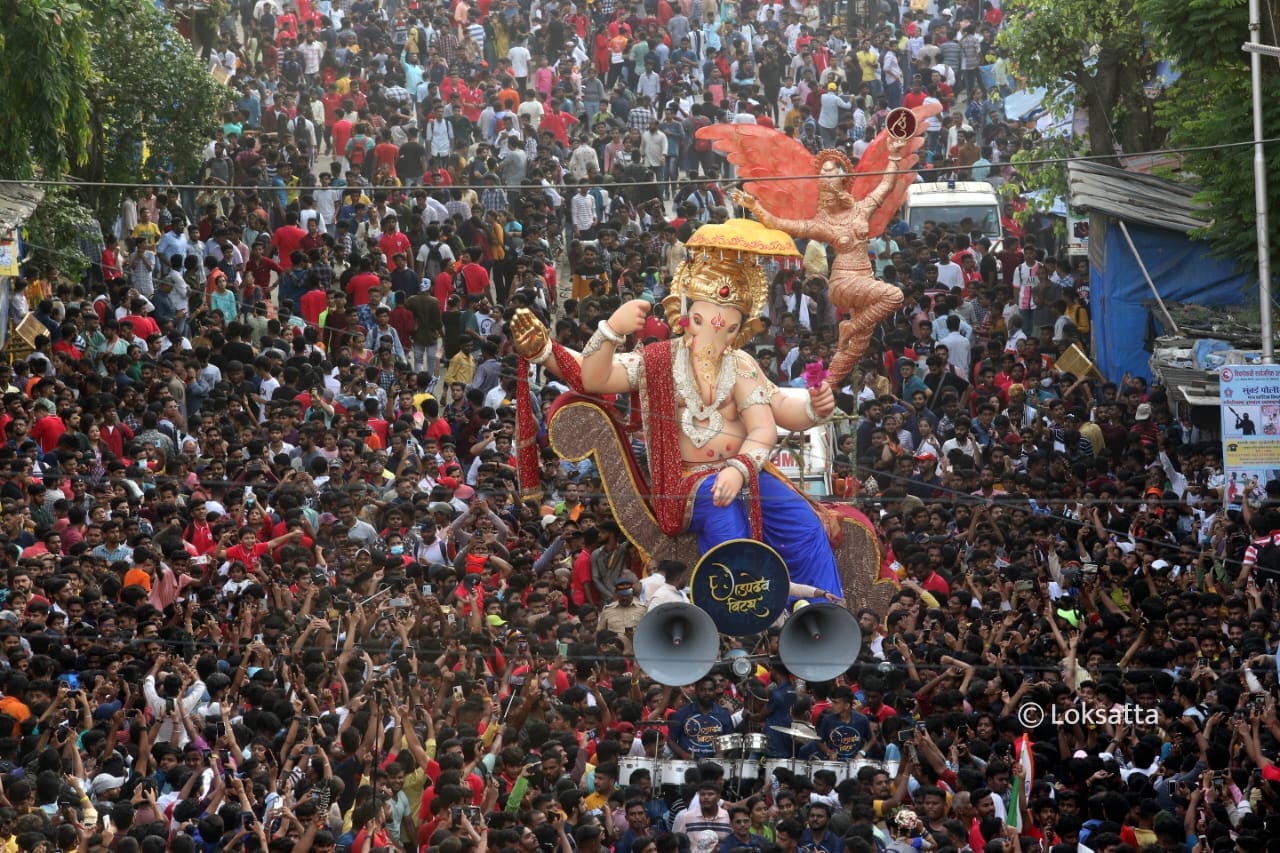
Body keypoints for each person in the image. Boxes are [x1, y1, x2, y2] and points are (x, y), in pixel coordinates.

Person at [512, 220, 842, 596]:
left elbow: (772, 417)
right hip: (690, 482)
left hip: (746, 472)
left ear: (741, 330)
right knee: (725, 522)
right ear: (685, 317)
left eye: (730, 329)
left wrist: (814, 409)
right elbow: (594, 378)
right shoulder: (657, 362)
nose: (715, 337)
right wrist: (604, 332)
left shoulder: (742, 364)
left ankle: (823, 612)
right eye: (702, 322)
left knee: (806, 525)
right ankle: (741, 615)